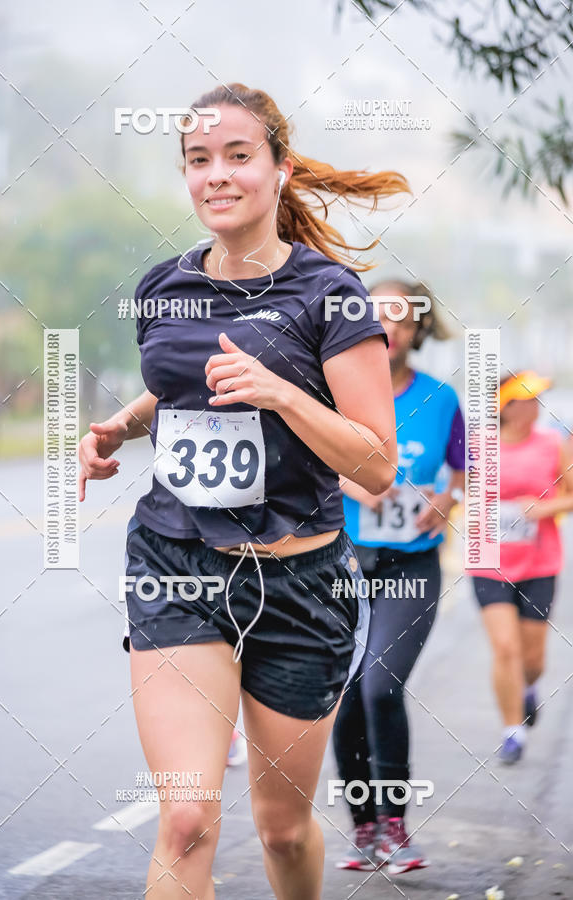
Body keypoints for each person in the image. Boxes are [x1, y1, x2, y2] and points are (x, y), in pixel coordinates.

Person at [78, 82, 409, 899]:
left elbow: (376, 466)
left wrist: (283, 393)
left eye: (237, 156)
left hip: (300, 581)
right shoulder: (163, 287)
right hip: (176, 564)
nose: (215, 175)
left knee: (283, 828)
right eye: (198, 160)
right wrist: (119, 426)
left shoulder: (328, 295)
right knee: (187, 818)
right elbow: (185, 386)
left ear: (279, 169)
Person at [332, 280, 465, 874]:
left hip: (410, 564)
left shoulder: (440, 398)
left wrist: (450, 497)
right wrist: (348, 480)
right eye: (373, 316)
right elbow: (301, 457)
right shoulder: (334, 392)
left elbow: (470, 468)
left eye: (399, 319)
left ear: (416, 330)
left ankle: (395, 827)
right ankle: (364, 829)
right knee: (345, 698)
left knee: (380, 685)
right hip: (339, 565)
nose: (387, 329)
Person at [469, 371, 573, 765]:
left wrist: (543, 507)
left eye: (537, 399)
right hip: (489, 562)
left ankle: (529, 689)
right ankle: (512, 731)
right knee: (506, 648)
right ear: (506, 408)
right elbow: (464, 492)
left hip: (539, 562)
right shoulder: (480, 445)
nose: (535, 407)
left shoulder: (551, 445)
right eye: (527, 400)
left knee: (533, 660)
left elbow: (571, 495)